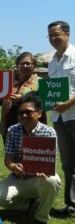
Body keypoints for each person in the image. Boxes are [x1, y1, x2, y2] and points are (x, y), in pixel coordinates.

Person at [0, 93, 61, 223]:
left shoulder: (49, 132)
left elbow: (51, 162)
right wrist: (13, 166)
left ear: (39, 113)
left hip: (38, 179)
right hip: (18, 178)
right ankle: (29, 206)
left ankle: (40, 217)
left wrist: (44, 170)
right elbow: (8, 159)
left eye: (28, 112)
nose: (24, 116)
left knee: (53, 180)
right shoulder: (13, 130)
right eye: (21, 113)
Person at [47, 20, 75, 216]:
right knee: (68, 163)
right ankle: (71, 204)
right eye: (50, 35)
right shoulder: (51, 61)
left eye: (57, 34)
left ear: (67, 34)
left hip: (74, 114)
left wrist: (68, 104)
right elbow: (51, 91)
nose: (54, 38)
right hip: (58, 118)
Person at [0, 52, 46, 145]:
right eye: (21, 63)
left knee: (29, 153)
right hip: (9, 122)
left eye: (28, 63)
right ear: (17, 65)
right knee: (11, 154)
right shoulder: (9, 80)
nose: (25, 66)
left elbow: (44, 103)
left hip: (30, 124)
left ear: (34, 66)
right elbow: (2, 99)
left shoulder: (40, 82)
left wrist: (23, 99)